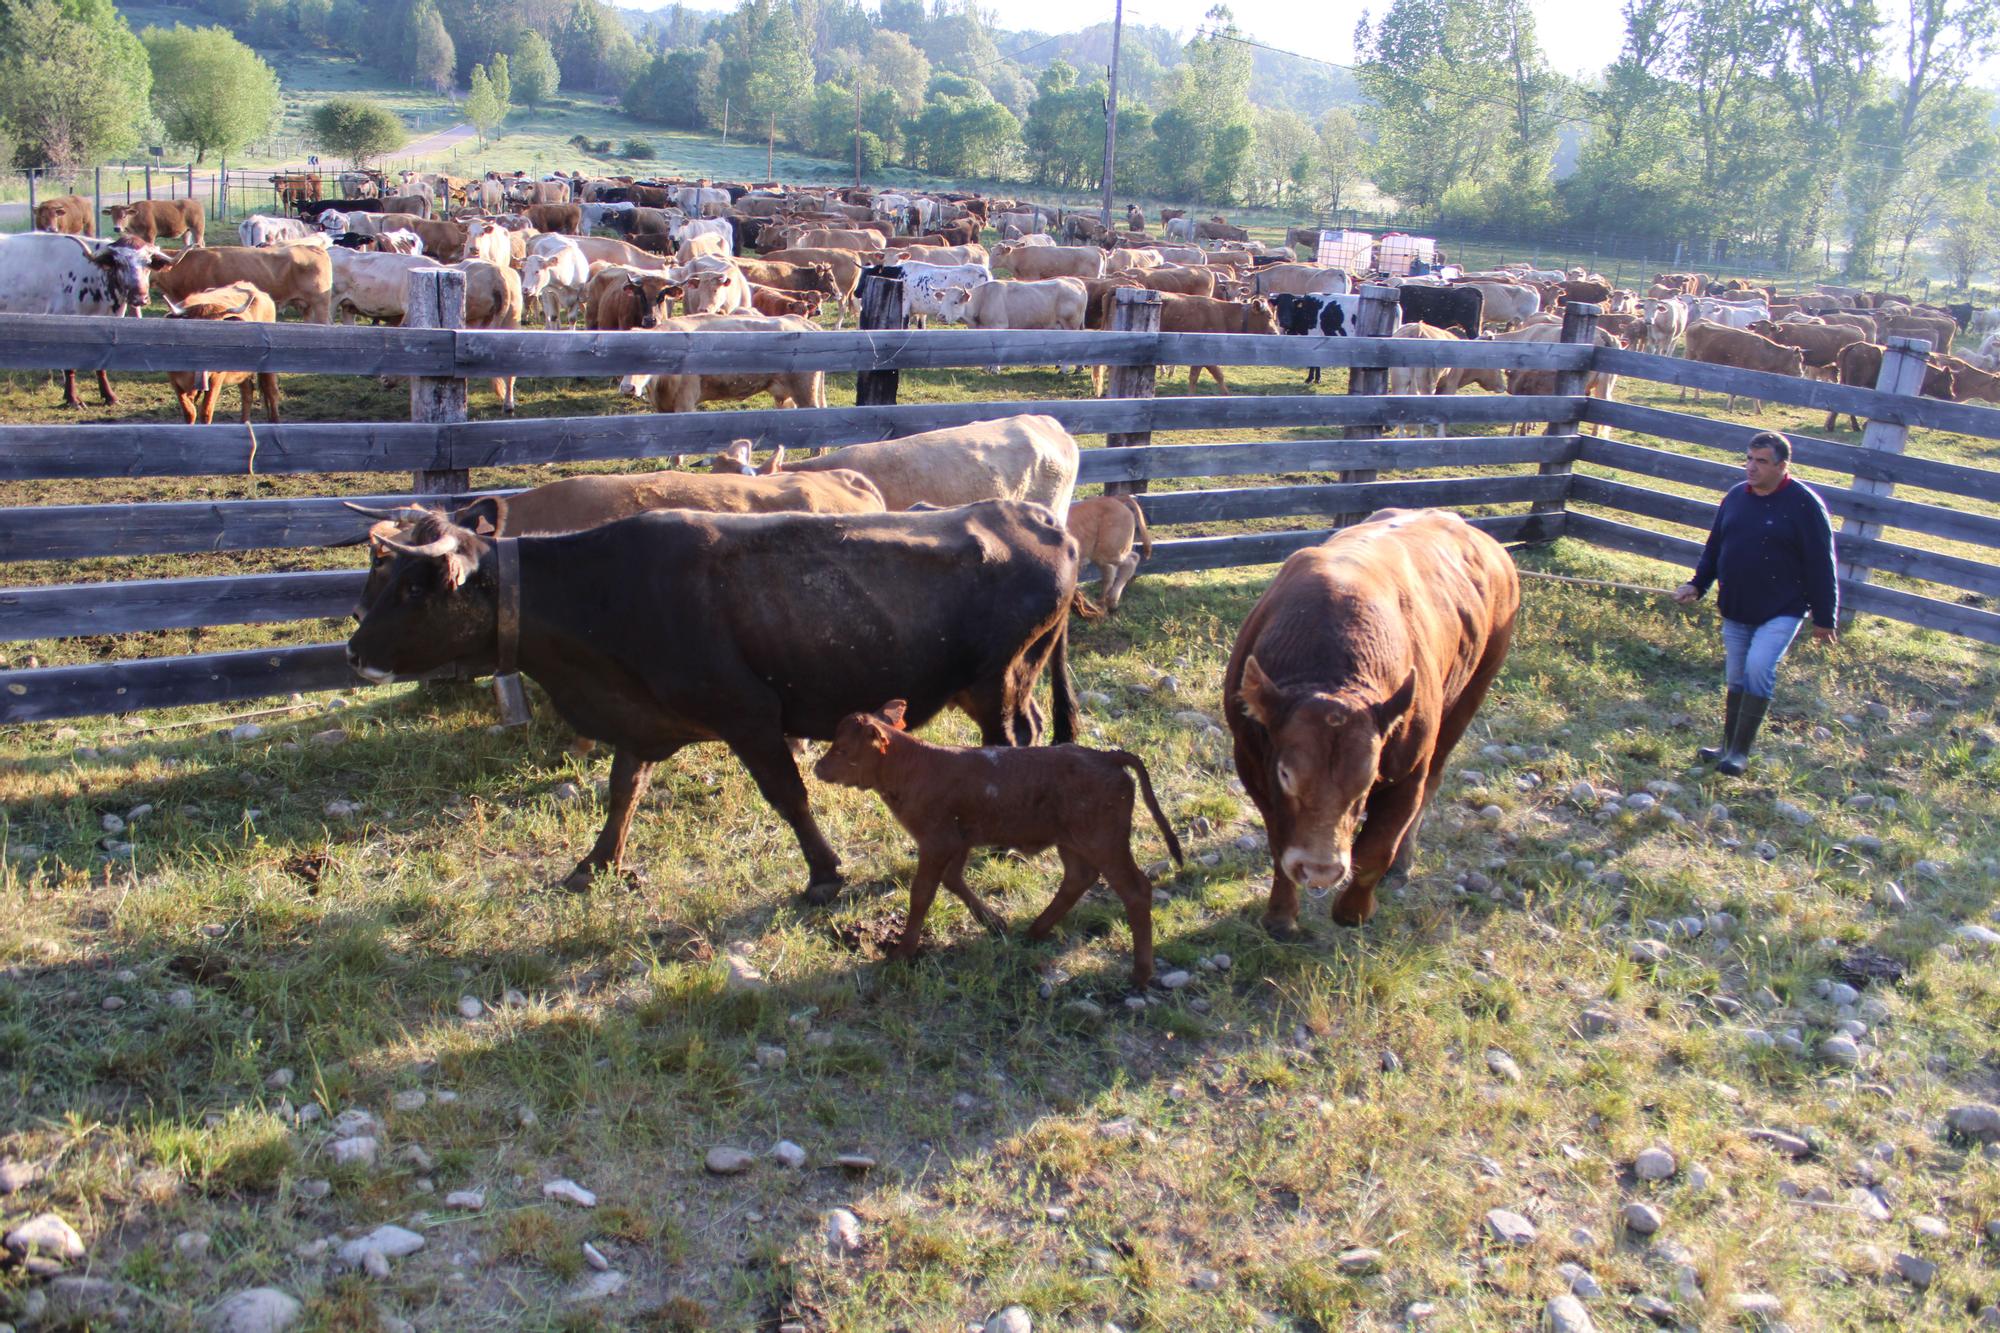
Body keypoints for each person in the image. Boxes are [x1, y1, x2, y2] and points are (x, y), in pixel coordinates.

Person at [1673, 431, 1838, 775]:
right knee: (1736, 675)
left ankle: (1740, 753)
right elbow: (1716, 547)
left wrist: (1825, 617)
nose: (1751, 467)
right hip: (1737, 604)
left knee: (1759, 668)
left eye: (1761, 461)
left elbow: (1822, 562)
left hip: (1783, 607)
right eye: (1748, 458)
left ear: (1782, 465)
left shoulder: (1804, 505)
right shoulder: (1736, 497)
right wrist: (1697, 585)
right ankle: (1727, 746)